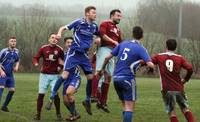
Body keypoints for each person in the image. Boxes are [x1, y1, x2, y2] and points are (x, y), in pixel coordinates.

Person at [46, 6, 99, 115]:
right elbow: (63, 27)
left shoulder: (94, 26)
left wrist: (99, 39)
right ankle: (52, 96)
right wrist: (60, 33)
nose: (95, 14)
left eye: (95, 13)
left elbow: (99, 35)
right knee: (64, 75)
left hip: (84, 55)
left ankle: (87, 100)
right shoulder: (79, 22)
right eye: (93, 13)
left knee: (90, 77)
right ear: (87, 14)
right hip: (74, 53)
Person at [100, 26, 154, 122]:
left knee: (125, 105)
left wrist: (102, 69)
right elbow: (151, 64)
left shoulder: (122, 44)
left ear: (132, 34)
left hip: (116, 78)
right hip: (128, 78)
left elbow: (106, 58)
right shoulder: (141, 48)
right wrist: (149, 68)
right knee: (129, 107)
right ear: (142, 37)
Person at [150, 39, 195, 122]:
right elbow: (190, 68)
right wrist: (185, 79)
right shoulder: (180, 58)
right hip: (179, 88)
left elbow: (148, 61)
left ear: (166, 46)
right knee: (185, 109)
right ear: (175, 47)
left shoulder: (159, 56)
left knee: (172, 112)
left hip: (167, 89)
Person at [92, 9, 122, 113]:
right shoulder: (105, 23)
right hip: (105, 49)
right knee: (99, 71)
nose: (119, 18)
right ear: (112, 16)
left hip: (113, 53)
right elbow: (102, 35)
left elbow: (120, 43)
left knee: (108, 77)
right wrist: (113, 41)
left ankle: (103, 102)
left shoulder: (117, 29)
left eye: (120, 16)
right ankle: (93, 95)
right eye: (118, 16)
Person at [45, 37, 81, 121]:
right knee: (65, 102)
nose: (70, 44)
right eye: (68, 42)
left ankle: (73, 115)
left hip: (75, 77)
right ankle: (75, 114)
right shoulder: (64, 54)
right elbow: (60, 63)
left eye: (71, 42)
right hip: (66, 79)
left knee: (69, 93)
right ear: (65, 44)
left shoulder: (77, 53)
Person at [32, 33, 64, 120]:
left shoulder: (60, 50)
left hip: (55, 76)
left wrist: (60, 67)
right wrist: (36, 63)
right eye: (52, 38)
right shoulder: (43, 48)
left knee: (56, 95)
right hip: (44, 75)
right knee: (41, 95)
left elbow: (63, 61)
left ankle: (58, 113)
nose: (54, 39)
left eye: (56, 39)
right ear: (49, 39)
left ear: (57, 40)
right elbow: (36, 57)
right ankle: (38, 114)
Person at [0, 37, 20, 112]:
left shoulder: (17, 51)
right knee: (1, 89)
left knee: (12, 90)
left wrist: (16, 66)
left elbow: (17, 60)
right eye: (12, 41)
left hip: (10, 74)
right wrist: (1, 71)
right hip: (2, 73)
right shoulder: (4, 51)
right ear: (9, 43)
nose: (13, 42)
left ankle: (4, 106)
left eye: (14, 41)